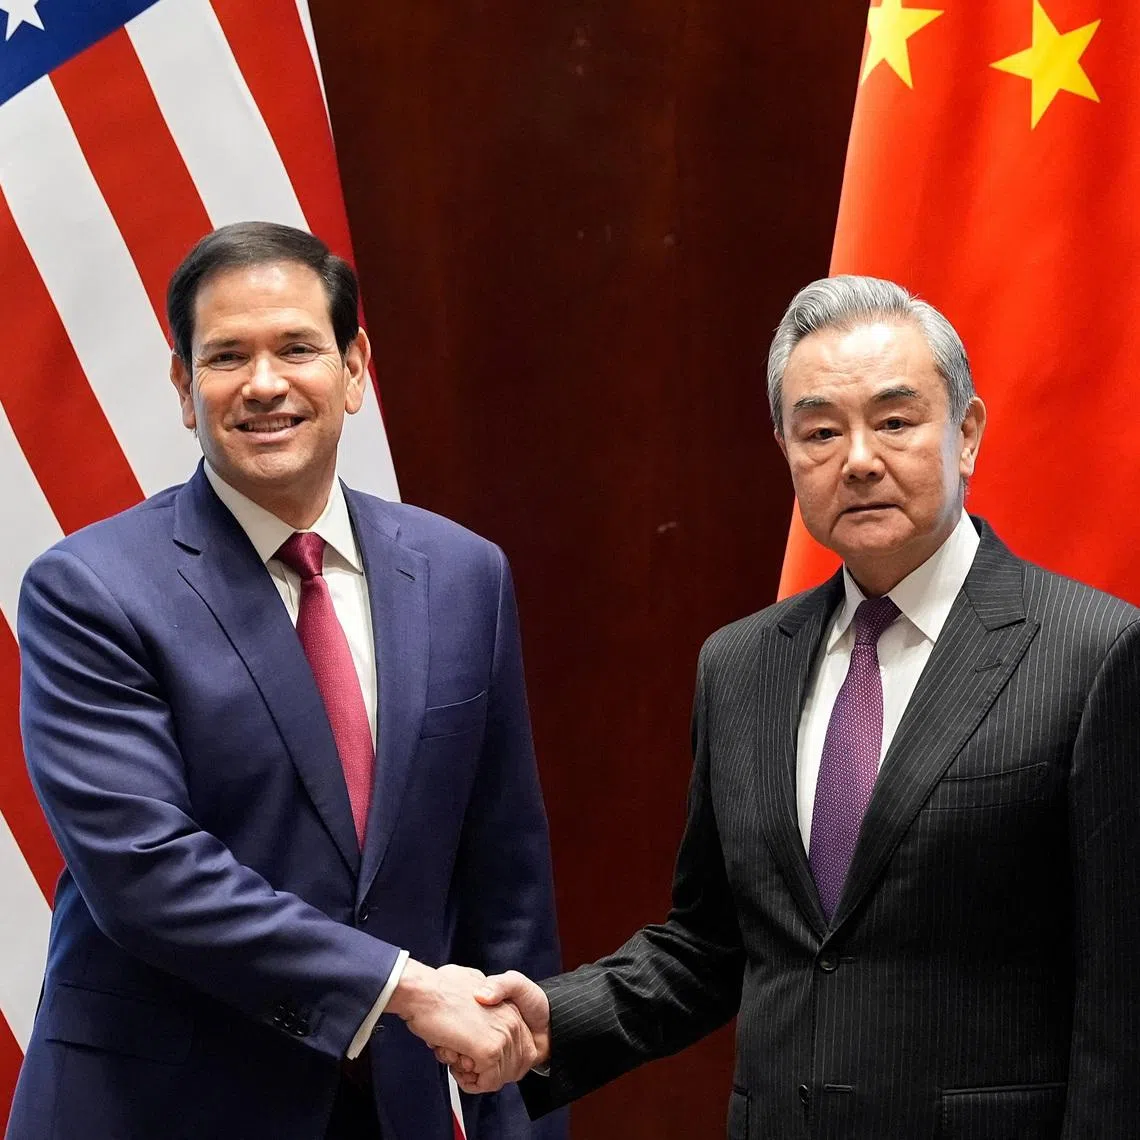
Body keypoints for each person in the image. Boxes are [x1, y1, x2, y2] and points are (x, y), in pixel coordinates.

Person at [439, 275, 1140, 1137]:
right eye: (820, 431)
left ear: (966, 434)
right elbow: (712, 944)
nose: (857, 459)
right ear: (786, 451)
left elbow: (1124, 1002)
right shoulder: (740, 666)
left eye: (893, 421)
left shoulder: (1094, 652)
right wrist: (555, 1021)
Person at [9, 221, 563, 1140]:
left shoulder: (465, 575)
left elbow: (506, 888)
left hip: (391, 1114)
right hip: (161, 1111)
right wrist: (406, 989)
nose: (265, 384)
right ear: (185, 388)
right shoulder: (90, 589)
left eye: (297, 348)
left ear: (353, 370)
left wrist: (524, 1119)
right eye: (226, 356)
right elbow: (147, 873)